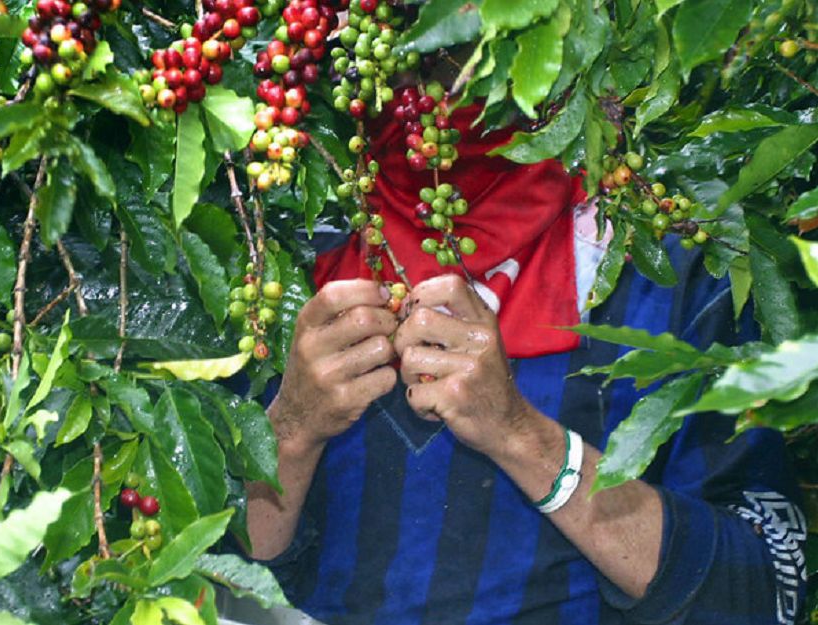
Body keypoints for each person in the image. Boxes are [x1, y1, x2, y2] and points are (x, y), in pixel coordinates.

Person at [243, 99, 807, 625]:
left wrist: (524, 440)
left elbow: (768, 585)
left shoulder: (665, 260)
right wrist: (289, 433)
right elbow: (200, 576)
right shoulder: (273, 258)